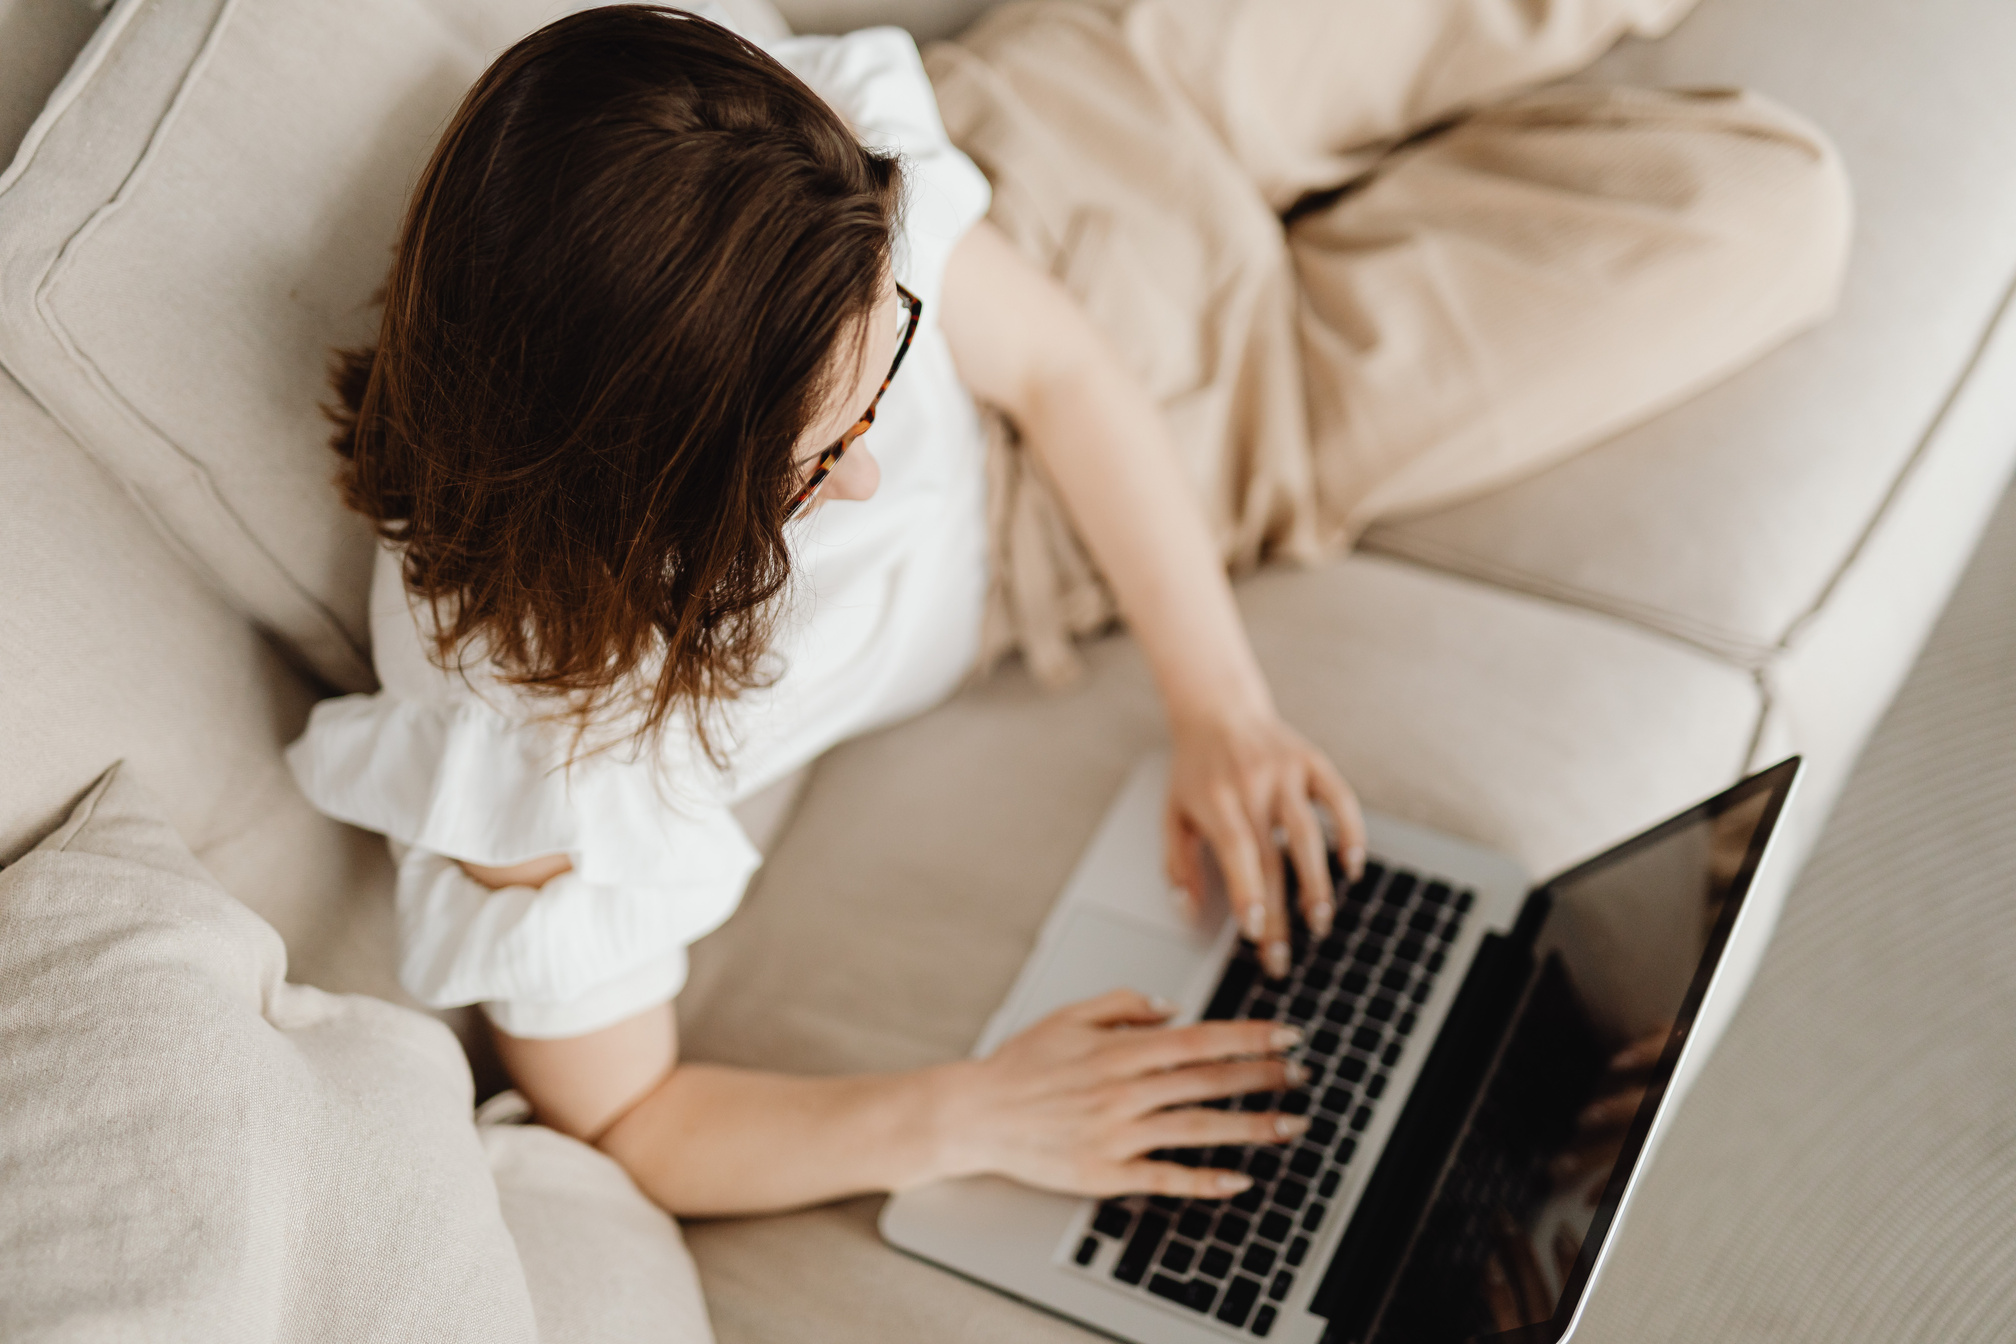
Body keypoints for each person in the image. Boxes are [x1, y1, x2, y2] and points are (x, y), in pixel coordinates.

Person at [288, 0, 1848, 1218]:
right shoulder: (532, 746)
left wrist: (1221, 706)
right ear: (651, 500)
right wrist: (976, 1113)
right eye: (820, 462)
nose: (872, 466)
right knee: (1779, 209)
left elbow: (1048, 362)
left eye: (879, 365)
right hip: (1186, 446)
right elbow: (633, 1113)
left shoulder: (761, 198)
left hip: (1083, 129)